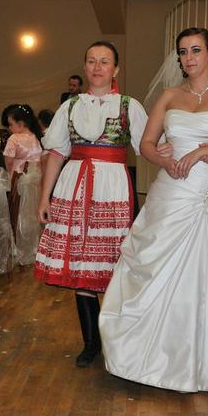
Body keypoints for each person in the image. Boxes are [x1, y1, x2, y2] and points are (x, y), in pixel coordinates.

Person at [99, 27, 208, 392]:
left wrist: (204, 151)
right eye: (183, 51)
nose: (189, 57)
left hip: (206, 191)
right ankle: (149, 357)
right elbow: (146, 144)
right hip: (170, 193)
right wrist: (162, 159)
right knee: (153, 267)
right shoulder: (169, 96)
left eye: (196, 50)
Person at [35, 41, 147, 368]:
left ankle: (117, 341)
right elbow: (56, 153)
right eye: (92, 61)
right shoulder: (70, 106)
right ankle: (91, 342)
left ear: (116, 69)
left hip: (112, 189)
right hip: (74, 185)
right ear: (85, 66)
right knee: (82, 264)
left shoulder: (129, 106)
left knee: (113, 265)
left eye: (104, 61)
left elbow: (148, 148)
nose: (97, 67)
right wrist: (44, 196)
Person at [2, 104, 43, 178]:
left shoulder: (14, 138)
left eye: (11, 124)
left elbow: (8, 161)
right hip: (35, 177)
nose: (9, 127)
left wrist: (8, 174)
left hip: (18, 177)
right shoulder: (35, 137)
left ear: (20, 124)